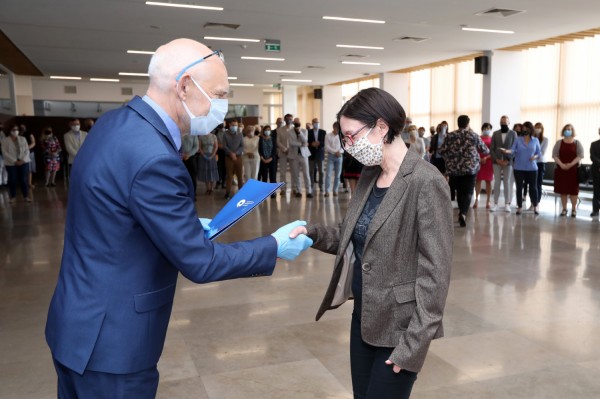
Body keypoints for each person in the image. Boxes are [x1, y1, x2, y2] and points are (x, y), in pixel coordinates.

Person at [45, 38, 313, 398]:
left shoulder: (113, 124)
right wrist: (273, 246)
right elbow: (200, 263)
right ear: (184, 86)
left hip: (76, 324)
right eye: (219, 93)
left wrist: (176, 227)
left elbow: (112, 212)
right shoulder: (155, 156)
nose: (223, 105)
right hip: (112, 345)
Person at [290, 88, 453, 399]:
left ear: (381, 127)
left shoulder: (425, 182)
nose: (349, 146)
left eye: (352, 136)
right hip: (364, 319)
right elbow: (349, 234)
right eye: (345, 139)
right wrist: (309, 232)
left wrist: (413, 347)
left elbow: (436, 275)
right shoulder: (370, 174)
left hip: (401, 329)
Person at [439, 115, 490, 227]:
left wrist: (450, 159)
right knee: (468, 192)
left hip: (454, 169)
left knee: (460, 191)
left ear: (458, 123)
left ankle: (462, 211)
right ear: (468, 124)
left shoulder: (450, 135)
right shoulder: (473, 135)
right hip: (470, 169)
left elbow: (441, 150)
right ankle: (463, 213)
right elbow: (485, 150)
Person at [501, 122, 542, 215]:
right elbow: (513, 150)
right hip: (519, 167)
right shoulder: (518, 140)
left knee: (533, 188)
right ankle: (519, 207)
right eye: (523, 128)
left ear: (530, 130)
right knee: (519, 187)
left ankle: (535, 205)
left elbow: (539, 153)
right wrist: (507, 151)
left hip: (532, 168)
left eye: (526, 128)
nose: (524, 130)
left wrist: (534, 157)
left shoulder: (535, 140)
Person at [552, 124, 584, 217]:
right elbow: (554, 155)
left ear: (572, 131)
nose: (568, 131)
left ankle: (574, 209)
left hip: (573, 170)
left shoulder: (577, 143)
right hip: (561, 170)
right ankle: (564, 209)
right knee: (563, 190)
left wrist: (570, 164)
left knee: (574, 191)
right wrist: (561, 164)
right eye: (566, 129)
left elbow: (580, 155)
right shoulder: (559, 143)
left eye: (569, 129)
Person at [490, 116, 517, 212]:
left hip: (508, 162)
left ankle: (507, 204)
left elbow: (514, 149)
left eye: (505, 122)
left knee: (506, 182)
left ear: (509, 123)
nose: (503, 123)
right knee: (497, 182)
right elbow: (491, 148)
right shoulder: (495, 133)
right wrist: (497, 160)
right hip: (496, 162)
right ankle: (495, 203)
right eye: (501, 122)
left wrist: (507, 160)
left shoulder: (513, 134)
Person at [1, 125, 31, 203]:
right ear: (10, 131)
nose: (15, 131)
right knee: (12, 180)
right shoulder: (5, 140)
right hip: (11, 163)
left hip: (23, 161)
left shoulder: (23, 139)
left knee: (23, 180)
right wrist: (15, 161)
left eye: (17, 129)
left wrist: (22, 160)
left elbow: (27, 150)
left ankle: (26, 196)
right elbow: (5, 153)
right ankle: (13, 197)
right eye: (13, 129)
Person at [288, 119, 313, 198]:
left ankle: (309, 191)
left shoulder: (304, 131)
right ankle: (298, 191)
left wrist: (299, 132)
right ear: (293, 123)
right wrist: (302, 144)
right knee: (296, 174)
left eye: (298, 123)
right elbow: (291, 143)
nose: (297, 124)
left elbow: (305, 140)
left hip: (304, 155)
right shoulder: (289, 132)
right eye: (295, 123)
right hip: (294, 155)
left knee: (306, 173)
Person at [223, 119, 244, 199]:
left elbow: (242, 146)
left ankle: (241, 193)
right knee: (229, 176)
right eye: (233, 125)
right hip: (229, 157)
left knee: (240, 176)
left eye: (236, 125)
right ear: (229, 125)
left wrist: (236, 153)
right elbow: (224, 146)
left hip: (238, 157)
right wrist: (231, 153)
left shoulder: (240, 134)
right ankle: (227, 193)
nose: (234, 127)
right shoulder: (225, 134)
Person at [474, 123, 493, 209]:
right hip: (479, 161)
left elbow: (493, 151)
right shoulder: (478, 138)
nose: (487, 129)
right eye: (485, 128)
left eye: (488, 128)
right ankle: (476, 200)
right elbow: (475, 150)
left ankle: (488, 200)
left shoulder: (492, 139)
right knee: (478, 180)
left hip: (489, 162)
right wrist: (480, 159)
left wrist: (486, 158)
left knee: (488, 181)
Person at [324, 122, 344, 197]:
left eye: (339, 129)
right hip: (331, 157)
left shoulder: (341, 136)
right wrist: (335, 152)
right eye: (337, 129)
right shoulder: (328, 136)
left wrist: (340, 152)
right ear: (334, 128)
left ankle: (335, 190)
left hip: (339, 157)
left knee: (338, 175)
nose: (338, 130)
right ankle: (327, 191)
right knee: (328, 174)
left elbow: (344, 146)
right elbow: (327, 147)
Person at [198, 128, 219, 194]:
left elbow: (216, 147)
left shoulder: (214, 136)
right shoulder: (201, 137)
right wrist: (203, 155)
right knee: (206, 171)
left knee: (212, 171)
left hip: (212, 155)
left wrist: (212, 155)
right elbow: (200, 147)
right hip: (204, 155)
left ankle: (212, 188)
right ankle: (207, 188)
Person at [308, 117, 326, 193]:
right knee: (311, 171)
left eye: (317, 122)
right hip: (311, 154)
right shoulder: (309, 132)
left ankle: (321, 185)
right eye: (315, 122)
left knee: (321, 171)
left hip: (320, 154)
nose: (316, 124)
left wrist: (319, 143)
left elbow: (324, 142)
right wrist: (311, 144)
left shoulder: (323, 132)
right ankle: (311, 185)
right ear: (312, 124)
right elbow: (307, 141)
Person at [258, 125, 277, 197]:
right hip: (263, 160)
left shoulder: (273, 139)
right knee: (264, 176)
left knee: (272, 176)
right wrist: (262, 158)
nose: (267, 131)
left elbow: (274, 150)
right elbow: (259, 149)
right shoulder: (260, 139)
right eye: (266, 130)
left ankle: (273, 192)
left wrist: (271, 158)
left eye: (269, 130)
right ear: (263, 131)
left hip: (272, 160)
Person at [276, 114, 293, 195]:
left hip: (293, 153)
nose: (289, 120)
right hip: (283, 153)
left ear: (292, 120)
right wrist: (284, 149)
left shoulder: (294, 129)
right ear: (285, 119)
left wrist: (290, 149)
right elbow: (278, 141)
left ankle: (294, 188)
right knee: (282, 172)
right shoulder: (280, 130)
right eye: (287, 119)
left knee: (294, 172)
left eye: (290, 119)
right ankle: (283, 189)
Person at [533, 122, 549, 209]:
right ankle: (532, 202)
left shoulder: (545, 140)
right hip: (531, 164)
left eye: (539, 127)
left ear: (542, 129)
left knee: (538, 183)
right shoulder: (531, 138)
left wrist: (534, 156)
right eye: (536, 127)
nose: (537, 129)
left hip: (540, 163)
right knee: (532, 184)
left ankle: (537, 202)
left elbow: (542, 152)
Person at [181, 133, 199, 199]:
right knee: (183, 177)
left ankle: (193, 193)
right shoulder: (180, 133)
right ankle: (184, 193)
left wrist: (189, 154)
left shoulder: (193, 135)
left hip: (191, 158)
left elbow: (196, 146)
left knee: (193, 177)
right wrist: (182, 154)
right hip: (181, 158)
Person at [20, 124, 36, 189]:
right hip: (20, 153)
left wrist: (27, 148)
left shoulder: (29, 133)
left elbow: (33, 142)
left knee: (29, 169)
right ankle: (23, 182)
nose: (22, 128)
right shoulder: (18, 134)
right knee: (22, 169)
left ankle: (29, 183)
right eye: (21, 127)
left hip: (29, 152)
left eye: (23, 126)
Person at [590, 127, 600, 217]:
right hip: (596, 170)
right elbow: (592, 157)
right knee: (596, 191)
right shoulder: (594, 144)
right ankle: (595, 210)